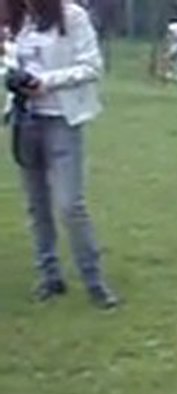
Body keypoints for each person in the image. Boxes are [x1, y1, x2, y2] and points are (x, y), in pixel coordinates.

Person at [4, 0, 118, 308]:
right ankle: (49, 276)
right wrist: (12, 76)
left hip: (61, 120)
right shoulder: (15, 18)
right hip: (25, 120)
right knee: (36, 204)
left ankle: (95, 282)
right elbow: (7, 61)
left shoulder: (71, 16)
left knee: (70, 205)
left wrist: (46, 82)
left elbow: (92, 66)